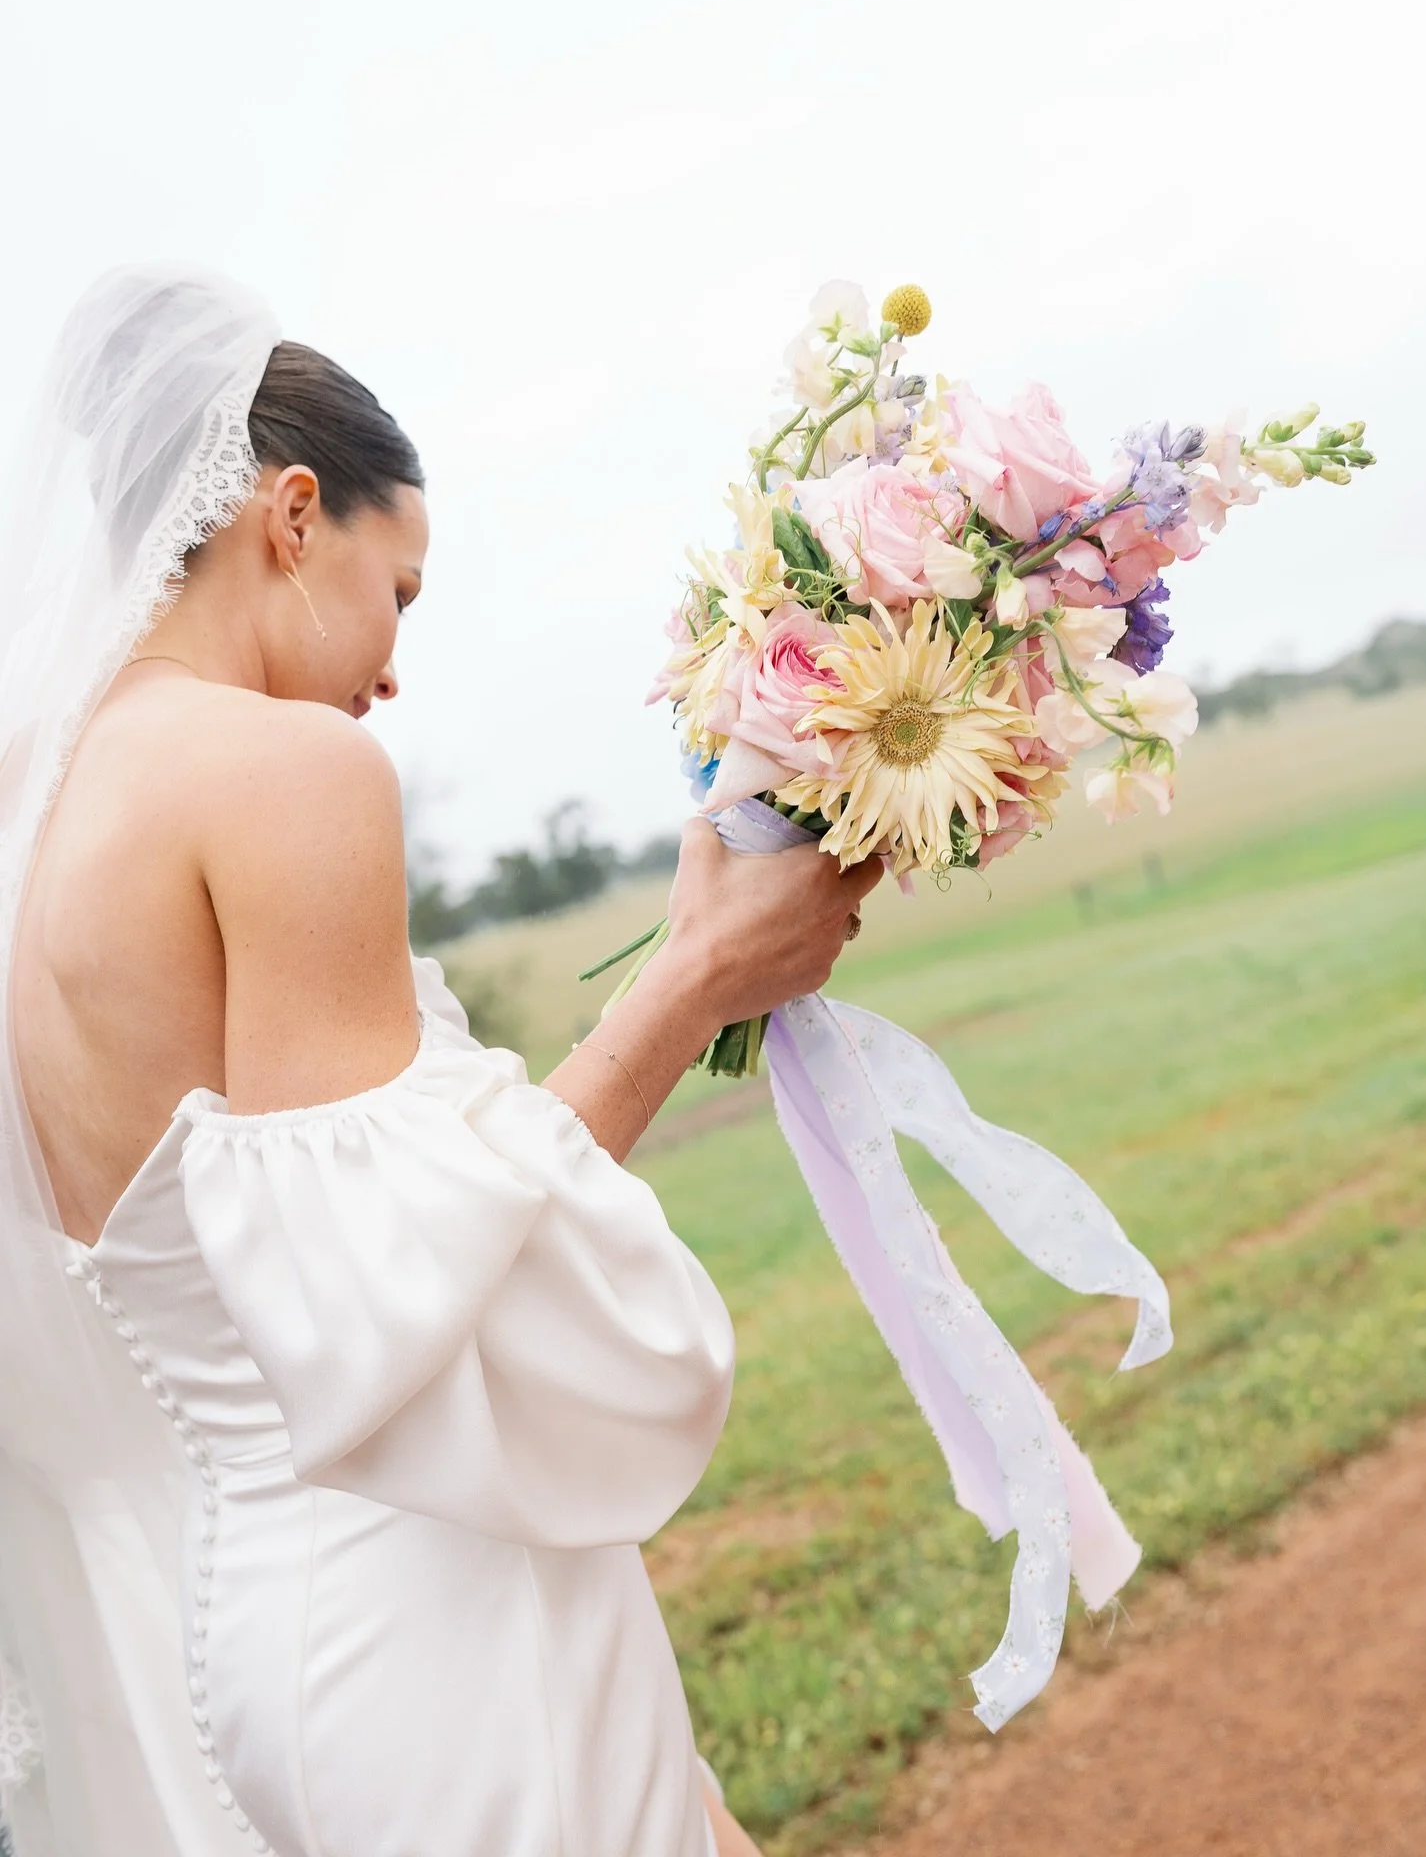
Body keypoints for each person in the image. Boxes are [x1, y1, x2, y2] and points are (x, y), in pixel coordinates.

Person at [0, 265, 881, 1857]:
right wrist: (696, 979)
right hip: (419, 1598)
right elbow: (395, 1292)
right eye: (398, 590)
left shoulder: (49, 815)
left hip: (262, 1615)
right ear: (288, 515)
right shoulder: (285, 771)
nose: (394, 667)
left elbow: (343, 1257)